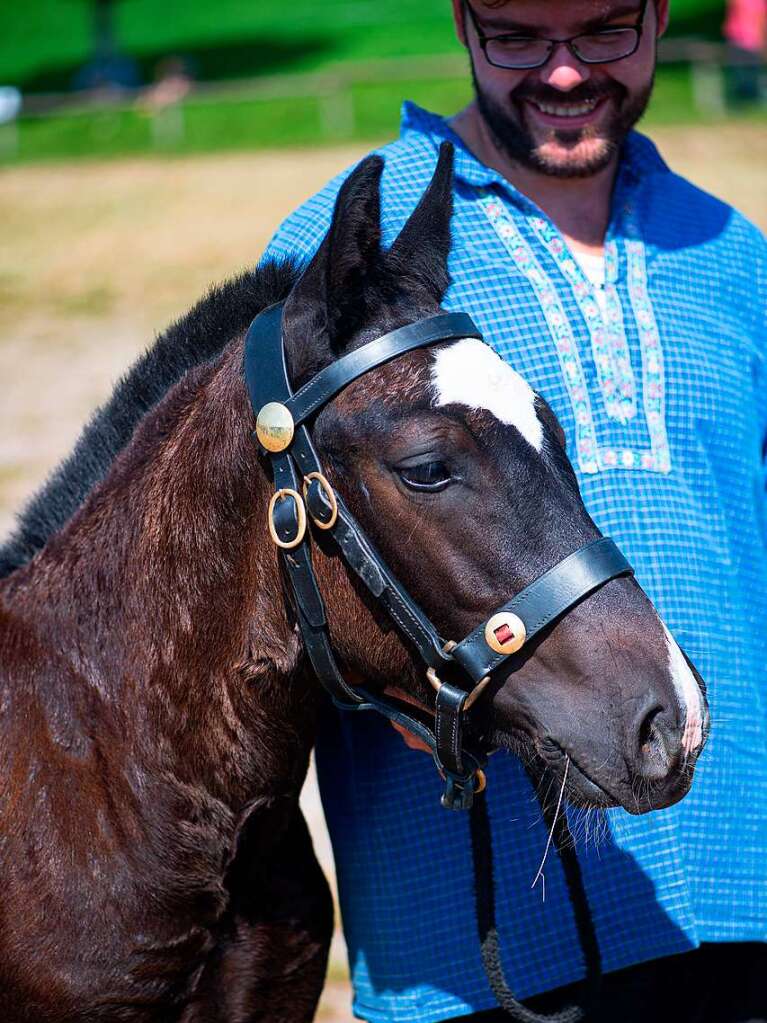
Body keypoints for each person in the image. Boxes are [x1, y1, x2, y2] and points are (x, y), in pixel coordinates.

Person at [263, 1, 767, 1020]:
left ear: (662, 16)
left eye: (604, 31)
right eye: (518, 37)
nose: (567, 72)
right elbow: (260, 577)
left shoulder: (733, 258)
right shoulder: (348, 243)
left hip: (742, 888)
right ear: (461, 21)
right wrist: (391, 683)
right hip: (476, 937)